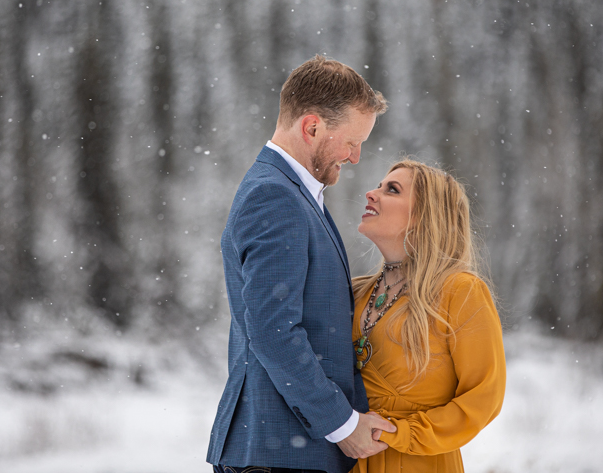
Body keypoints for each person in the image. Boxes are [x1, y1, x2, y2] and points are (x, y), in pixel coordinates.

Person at [207, 55, 393, 473]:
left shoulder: (295, 194)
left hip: (287, 451)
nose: (356, 156)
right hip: (280, 454)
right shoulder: (274, 197)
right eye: (352, 141)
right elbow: (272, 330)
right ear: (312, 127)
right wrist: (342, 425)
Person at [351, 160, 506, 473]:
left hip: (418, 463)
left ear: (424, 215)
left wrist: (403, 433)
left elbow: (483, 397)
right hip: (348, 461)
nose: (371, 193)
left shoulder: (460, 291)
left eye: (391, 190)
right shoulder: (355, 291)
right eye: (379, 186)